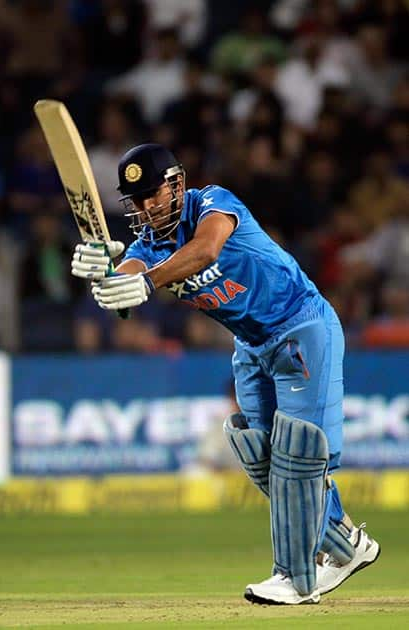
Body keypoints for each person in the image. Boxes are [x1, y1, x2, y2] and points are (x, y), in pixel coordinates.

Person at [70, 142, 380, 605]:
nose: (148, 206)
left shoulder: (214, 202)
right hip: (252, 347)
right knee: (263, 457)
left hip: (302, 324)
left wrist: (145, 281)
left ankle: (296, 579)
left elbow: (206, 251)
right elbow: (127, 280)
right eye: (138, 200)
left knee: (299, 453)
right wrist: (107, 276)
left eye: (155, 192)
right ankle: (346, 546)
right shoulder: (147, 247)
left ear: (177, 184)